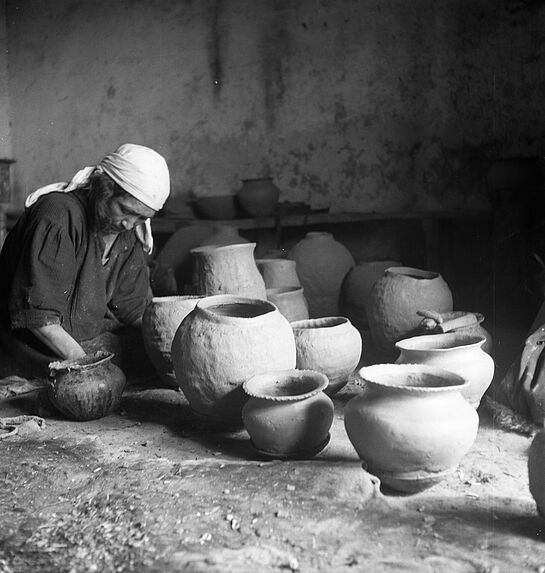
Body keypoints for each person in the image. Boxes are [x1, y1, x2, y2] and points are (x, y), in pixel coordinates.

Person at [0, 143, 170, 379]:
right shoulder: (58, 215)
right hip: (30, 344)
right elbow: (37, 318)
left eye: (141, 217)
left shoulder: (129, 232)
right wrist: (87, 366)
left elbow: (132, 309)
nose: (129, 224)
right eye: (124, 210)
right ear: (105, 189)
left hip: (83, 338)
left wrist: (168, 344)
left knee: (149, 355)